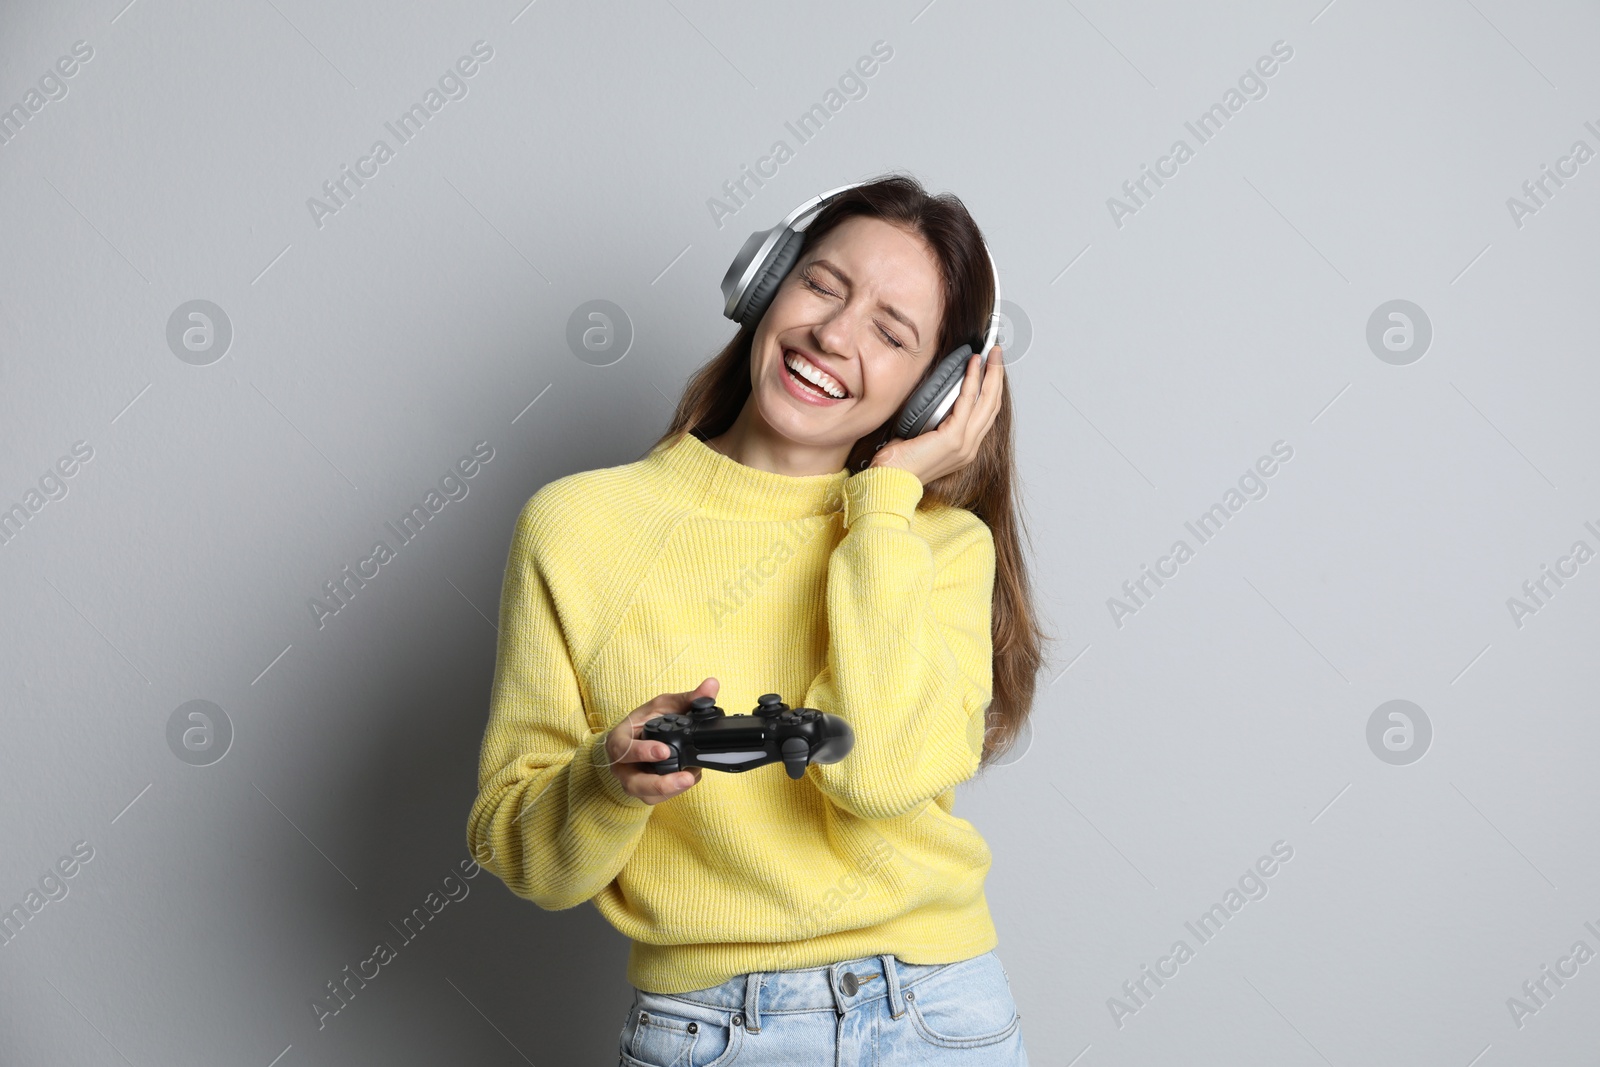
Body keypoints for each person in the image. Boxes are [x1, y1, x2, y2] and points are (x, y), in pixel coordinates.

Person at [466, 172, 1051, 1065]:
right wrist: (606, 780)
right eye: (821, 283)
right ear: (764, 281)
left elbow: (880, 773)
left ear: (933, 392)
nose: (833, 333)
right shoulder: (578, 526)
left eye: (891, 332)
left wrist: (883, 502)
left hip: (935, 1014)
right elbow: (523, 852)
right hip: (707, 1028)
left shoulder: (935, 547)